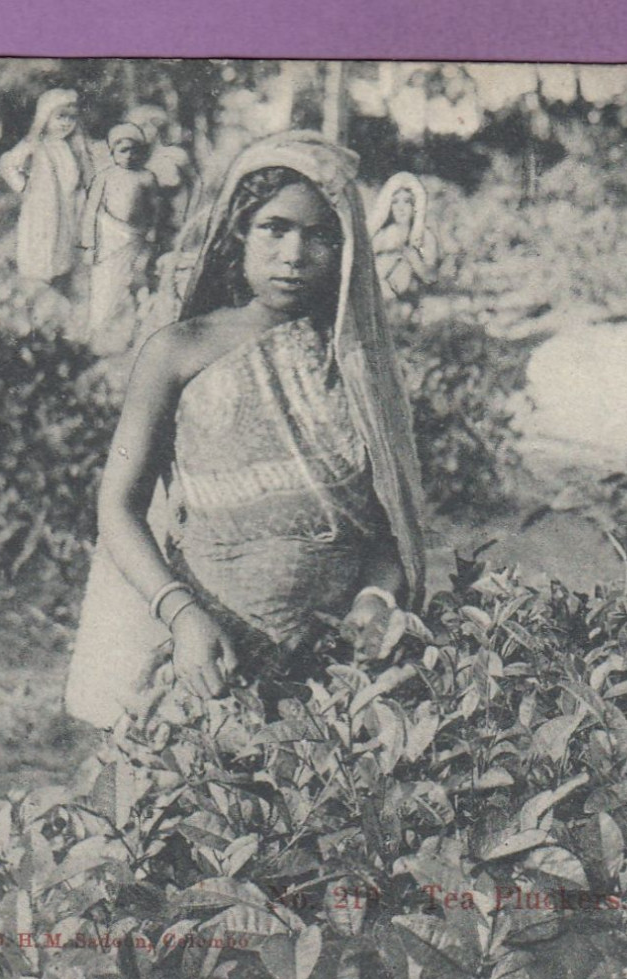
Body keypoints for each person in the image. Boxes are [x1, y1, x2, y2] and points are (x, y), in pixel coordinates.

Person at [64, 132, 426, 727]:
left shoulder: (362, 366)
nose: (294, 253)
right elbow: (119, 505)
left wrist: (376, 598)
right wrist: (181, 615)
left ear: (346, 247)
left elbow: (391, 524)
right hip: (210, 651)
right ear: (239, 231)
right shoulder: (178, 351)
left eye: (319, 234)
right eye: (275, 228)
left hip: (340, 670)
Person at [0, 88, 92, 286]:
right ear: (46, 117)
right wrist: (23, 185)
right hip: (42, 206)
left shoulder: (69, 147)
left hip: (66, 205)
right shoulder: (36, 145)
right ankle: (38, 280)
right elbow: (7, 163)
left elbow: (75, 175)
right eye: (61, 117)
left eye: (72, 118)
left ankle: (58, 278)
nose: (66, 123)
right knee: (42, 242)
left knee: (63, 244)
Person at [80, 123, 160, 355]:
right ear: (113, 152)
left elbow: (155, 209)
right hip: (109, 239)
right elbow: (91, 211)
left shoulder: (146, 177)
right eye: (122, 150)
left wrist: (152, 232)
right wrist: (89, 244)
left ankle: (131, 336)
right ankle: (97, 336)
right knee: (105, 286)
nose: (129, 156)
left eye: (134, 150)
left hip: (135, 239)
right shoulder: (105, 178)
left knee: (133, 284)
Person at [369, 172, 439, 312]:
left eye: (407, 201)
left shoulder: (425, 236)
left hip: (411, 307)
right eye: (395, 202)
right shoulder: (381, 236)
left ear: (416, 206)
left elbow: (431, 277)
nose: (401, 208)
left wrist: (414, 260)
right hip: (380, 305)